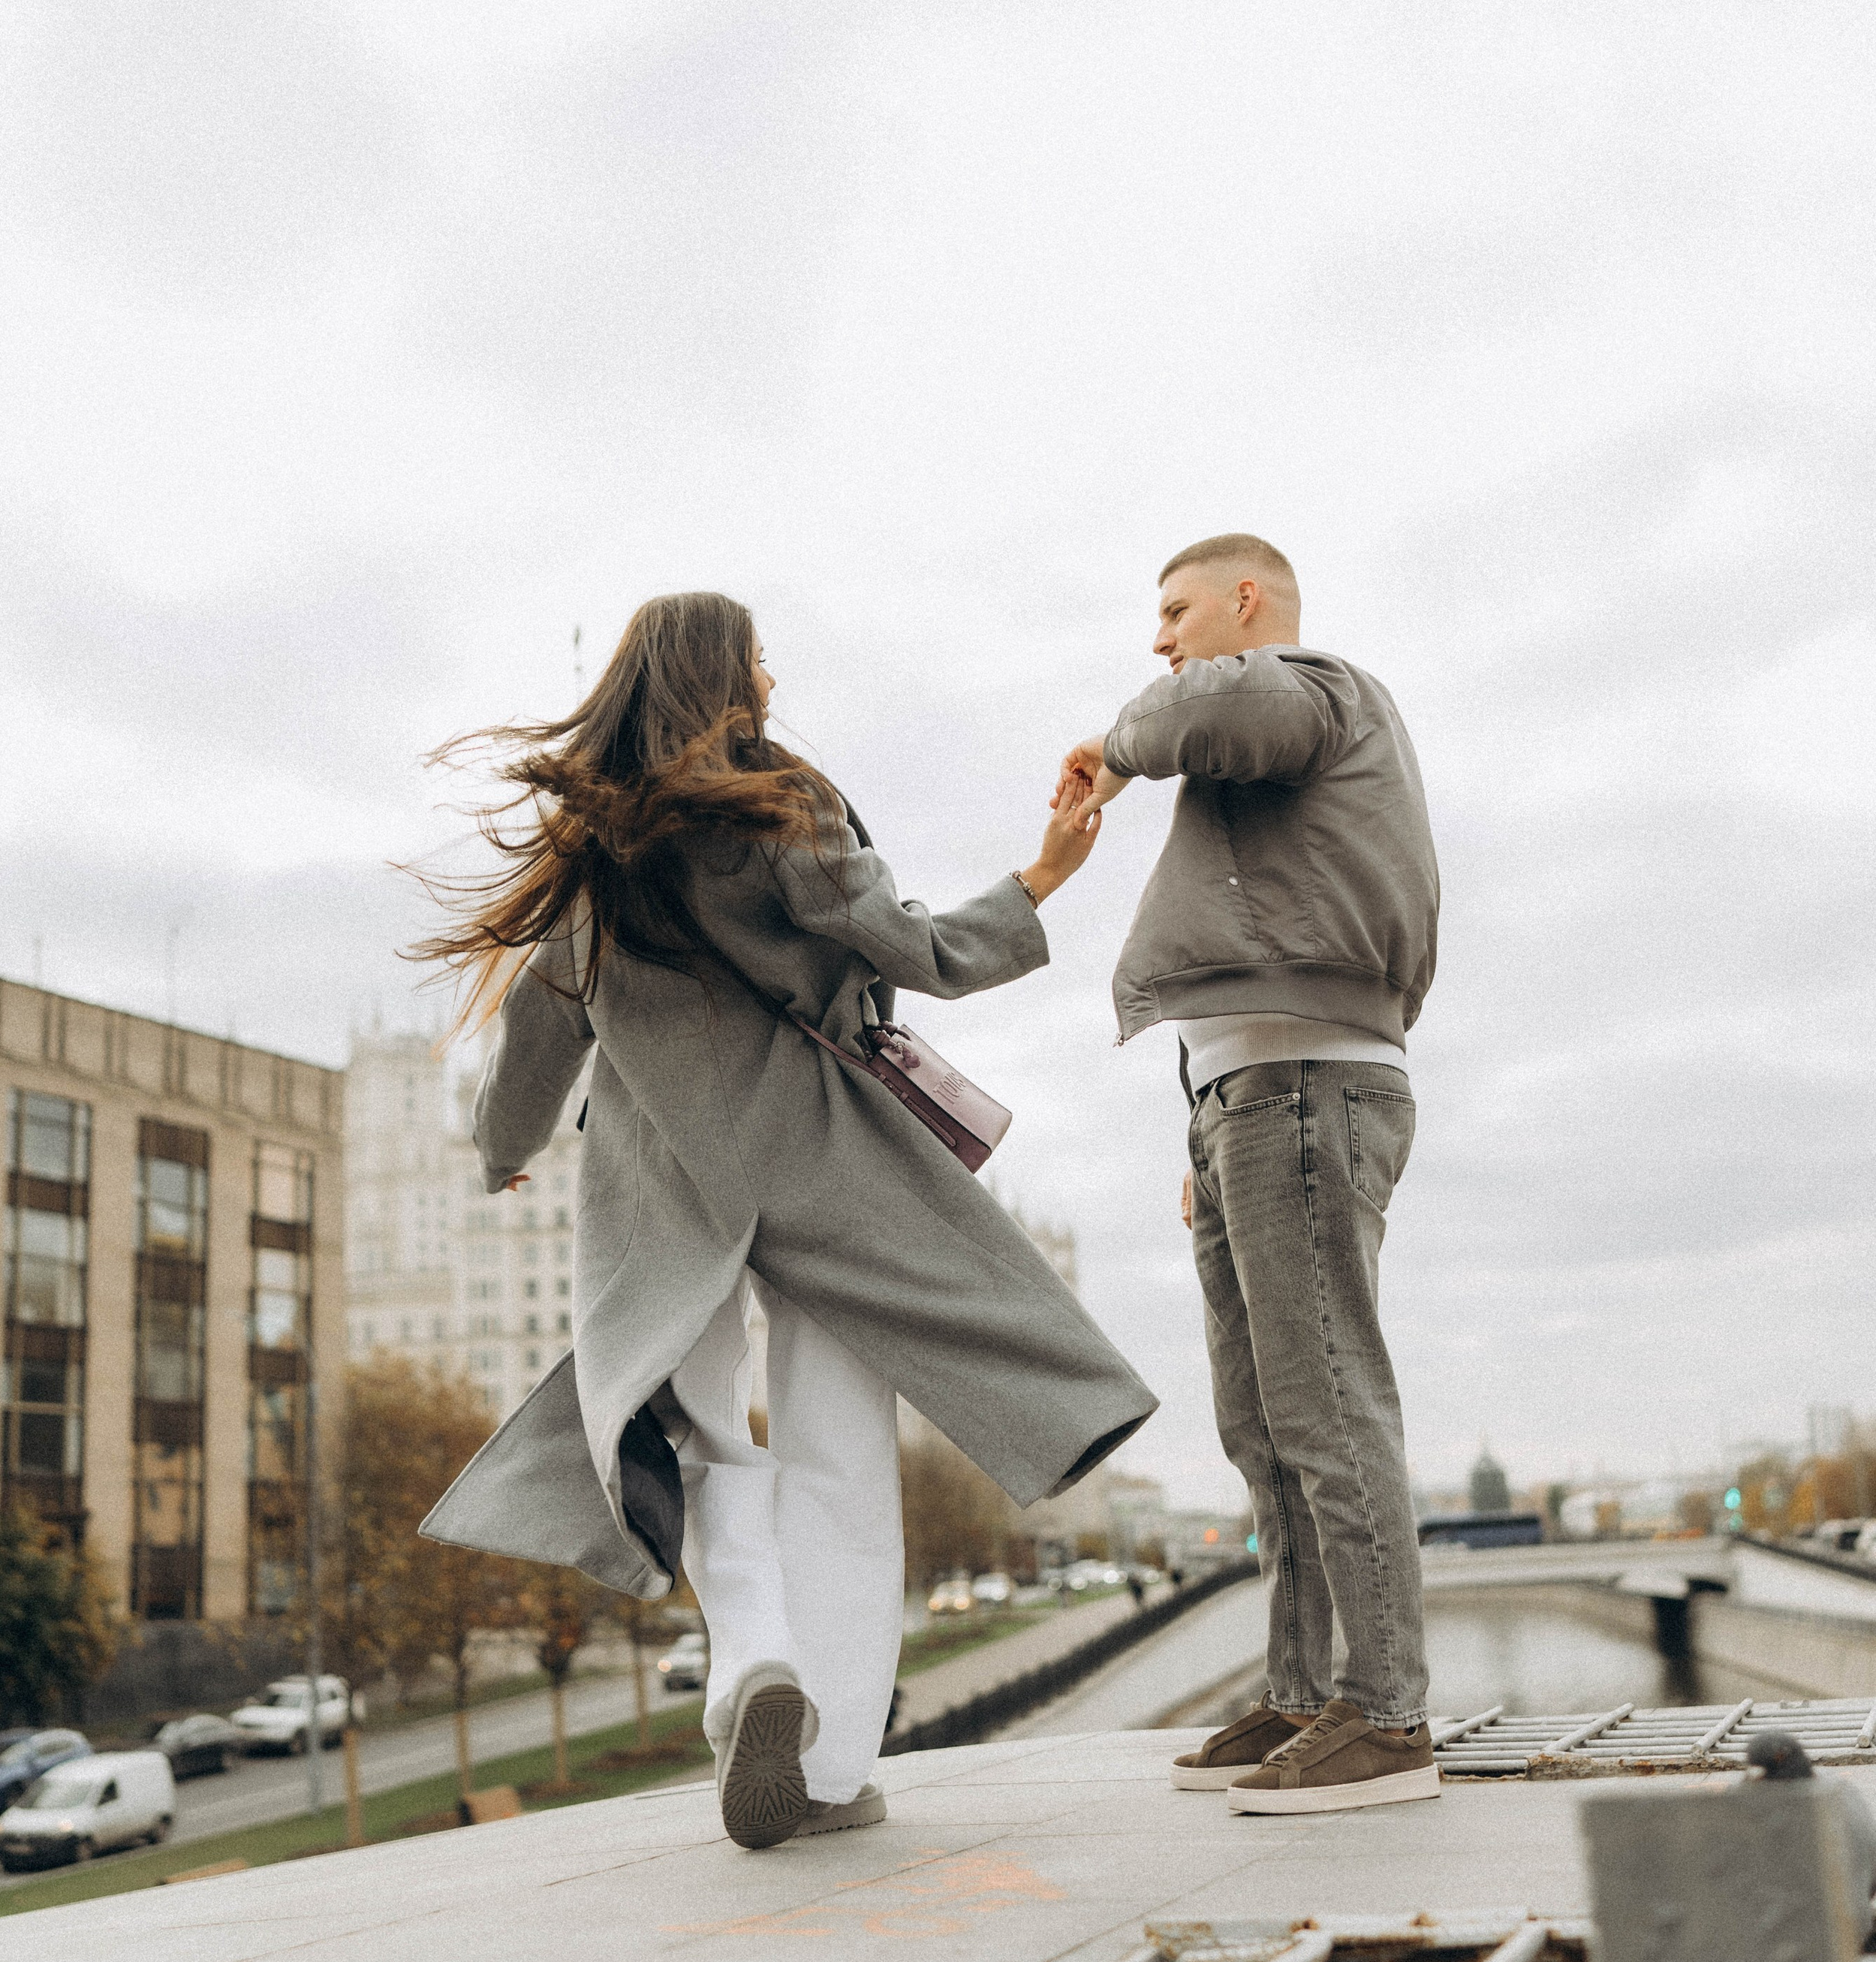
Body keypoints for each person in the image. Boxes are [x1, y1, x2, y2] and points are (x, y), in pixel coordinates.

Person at [411, 592, 1156, 1852]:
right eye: (757, 661)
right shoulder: (787, 807)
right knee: (840, 1459)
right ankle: (832, 1770)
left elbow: (540, 1023)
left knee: (704, 1444)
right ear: (724, 678)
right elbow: (913, 950)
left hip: (661, 1179)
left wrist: (502, 1154)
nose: (770, 678)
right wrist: (1043, 876)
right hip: (822, 1165)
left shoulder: (597, 848)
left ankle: (753, 1660)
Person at [1059, 533, 1440, 1817]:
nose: (1160, 639)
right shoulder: (1276, 725)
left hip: (1305, 1090)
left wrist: (1115, 750)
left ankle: (1386, 1717)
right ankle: (1304, 1692)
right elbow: (1252, 930)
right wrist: (1206, 1125)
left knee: (1324, 1402)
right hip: (1247, 1102)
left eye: (1176, 611)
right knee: (1263, 1426)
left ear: (1244, 600)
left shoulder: (1311, 688)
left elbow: (1211, 711)